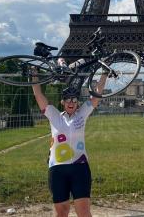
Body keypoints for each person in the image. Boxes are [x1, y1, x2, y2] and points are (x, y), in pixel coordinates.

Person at [32, 65, 107, 217]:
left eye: (74, 99)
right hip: (57, 169)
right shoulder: (54, 115)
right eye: (67, 99)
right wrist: (34, 74)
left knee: (84, 212)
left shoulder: (82, 114)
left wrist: (104, 73)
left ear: (77, 102)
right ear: (62, 102)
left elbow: (97, 95)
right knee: (61, 213)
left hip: (79, 167)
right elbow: (38, 94)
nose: (71, 102)